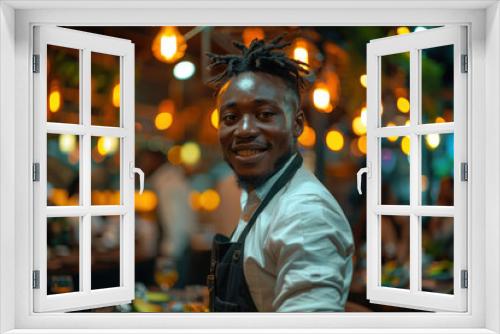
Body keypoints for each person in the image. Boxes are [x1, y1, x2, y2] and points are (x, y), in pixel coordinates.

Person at [205, 35, 354, 312]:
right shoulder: (260, 198)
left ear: (297, 124)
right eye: (230, 118)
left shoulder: (305, 215)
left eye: (264, 114)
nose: (245, 129)